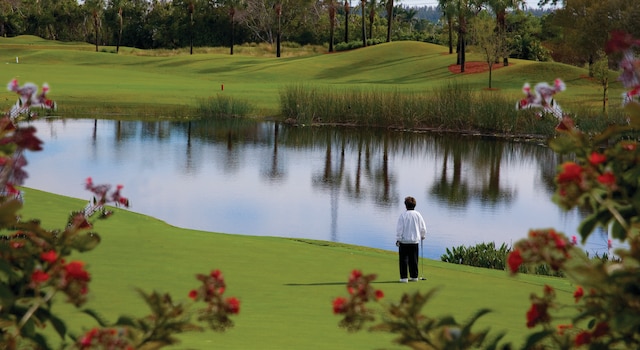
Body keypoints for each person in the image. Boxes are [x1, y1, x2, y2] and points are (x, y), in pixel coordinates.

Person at [396, 196, 426, 283]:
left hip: (404, 241)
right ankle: (414, 276)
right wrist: (422, 235)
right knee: (414, 259)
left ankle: (404, 278)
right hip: (414, 241)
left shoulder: (403, 215)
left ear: (406, 205)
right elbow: (423, 227)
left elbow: (399, 229)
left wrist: (398, 239)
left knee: (404, 260)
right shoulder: (418, 215)